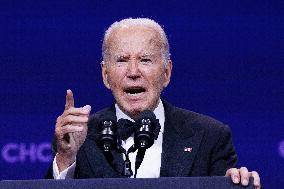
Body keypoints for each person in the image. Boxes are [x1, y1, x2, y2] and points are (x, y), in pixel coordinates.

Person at [45, 18, 261, 189]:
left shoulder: (210, 136)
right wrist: (65, 157)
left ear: (166, 73)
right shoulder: (79, 137)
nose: (133, 72)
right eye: (122, 60)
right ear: (105, 75)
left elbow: (226, 184)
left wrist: (234, 183)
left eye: (145, 60)